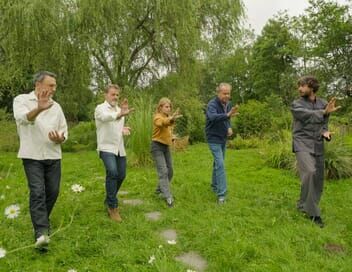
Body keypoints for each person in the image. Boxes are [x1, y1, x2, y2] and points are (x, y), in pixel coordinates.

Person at [13, 71, 68, 251]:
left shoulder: (57, 106)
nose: (54, 88)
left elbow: (64, 130)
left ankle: (40, 221)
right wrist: (39, 108)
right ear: (38, 84)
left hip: (53, 154)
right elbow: (23, 119)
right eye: (50, 85)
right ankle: (41, 233)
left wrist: (60, 138)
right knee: (37, 192)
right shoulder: (21, 100)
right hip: (32, 155)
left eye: (55, 85)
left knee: (53, 191)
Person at [291, 75, 341, 228]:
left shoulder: (323, 103)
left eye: (303, 86)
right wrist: (323, 112)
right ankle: (313, 213)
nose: (300, 88)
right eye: (299, 85)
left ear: (312, 87)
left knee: (318, 178)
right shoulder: (296, 104)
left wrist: (325, 132)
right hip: (302, 142)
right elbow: (306, 116)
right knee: (310, 172)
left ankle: (302, 204)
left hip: (317, 143)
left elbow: (324, 124)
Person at [95, 84, 133, 222]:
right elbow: (106, 118)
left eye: (117, 95)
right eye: (113, 94)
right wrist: (120, 114)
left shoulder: (119, 110)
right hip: (106, 147)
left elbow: (116, 126)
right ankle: (113, 207)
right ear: (106, 95)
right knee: (112, 172)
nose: (115, 97)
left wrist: (123, 129)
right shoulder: (100, 108)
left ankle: (109, 198)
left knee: (121, 175)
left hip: (119, 148)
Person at [205, 83, 239, 204]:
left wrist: (228, 127)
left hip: (222, 138)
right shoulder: (212, 105)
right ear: (218, 93)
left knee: (218, 163)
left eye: (228, 93)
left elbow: (226, 119)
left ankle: (214, 186)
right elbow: (213, 117)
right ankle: (222, 195)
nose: (227, 96)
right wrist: (228, 115)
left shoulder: (227, 104)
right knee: (220, 164)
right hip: (213, 138)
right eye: (224, 93)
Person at [151, 98, 182, 207]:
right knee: (163, 171)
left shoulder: (168, 118)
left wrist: (171, 137)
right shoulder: (157, 117)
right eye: (166, 107)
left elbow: (166, 130)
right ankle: (168, 197)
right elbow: (162, 124)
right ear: (160, 107)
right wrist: (171, 119)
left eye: (169, 107)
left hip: (166, 147)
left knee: (170, 171)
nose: (168, 109)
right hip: (157, 146)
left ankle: (159, 189)